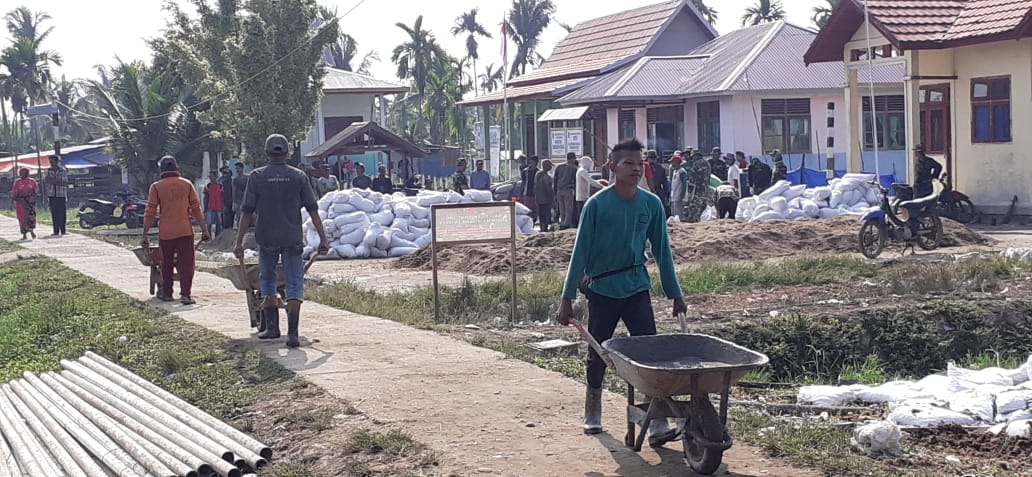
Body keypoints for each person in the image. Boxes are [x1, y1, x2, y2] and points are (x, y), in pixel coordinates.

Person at [556, 138, 686, 444]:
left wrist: (675, 294)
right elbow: (580, 253)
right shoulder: (597, 205)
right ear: (613, 167)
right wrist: (567, 299)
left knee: (649, 354)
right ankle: (593, 411)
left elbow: (663, 253)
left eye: (640, 164)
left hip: (637, 286)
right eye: (628, 163)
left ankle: (656, 421)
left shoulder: (651, 204)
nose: (636, 169)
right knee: (599, 352)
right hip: (602, 288)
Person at [235, 134, 329, 347]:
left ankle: (272, 329)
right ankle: (293, 334)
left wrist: (239, 242)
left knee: (267, 279)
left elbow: (247, 212)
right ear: (287, 153)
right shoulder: (298, 177)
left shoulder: (257, 176)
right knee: (294, 283)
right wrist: (324, 239)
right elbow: (313, 210)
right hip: (291, 236)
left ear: (267, 153)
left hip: (267, 237)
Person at [141, 156, 209, 304]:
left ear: (162, 169)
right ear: (176, 168)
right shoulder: (187, 184)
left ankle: (167, 294)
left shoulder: (156, 187)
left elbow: (150, 211)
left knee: (166, 264)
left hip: (166, 233)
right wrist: (204, 230)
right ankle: (185, 295)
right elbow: (196, 209)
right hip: (185, 231)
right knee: (186, 264)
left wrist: (145, 234)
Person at [575, 156, 605, 228]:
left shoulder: (581, 170)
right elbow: (591, 181)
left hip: (582, 195)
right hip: (582, 196)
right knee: (583, 212)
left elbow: (591, 181)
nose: (590, 165)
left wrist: (598, 183)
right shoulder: (582, 171)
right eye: (589, 163)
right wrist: (602, 187)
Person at [683, 151, 713, 223]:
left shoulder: (696, 164)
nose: (692, 159)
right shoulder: (708, 163)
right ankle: (699, 220)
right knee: (702, 205)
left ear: (696, 156)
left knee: (695, 206)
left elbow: (692, 179)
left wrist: (689, 193)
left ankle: (694, 220)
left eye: (693, 157)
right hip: (705, 188)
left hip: (697, 189)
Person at [12, 168, 39, 240]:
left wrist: (32, 197)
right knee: (22, 218)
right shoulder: (17, 182)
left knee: (30, 217)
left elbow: (36, 190)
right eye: (20, 172)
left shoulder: (32, 181)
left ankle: (31, 231)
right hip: (20, 202)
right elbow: (15, 192)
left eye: (23, 172)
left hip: (30, 202)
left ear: (27, 173)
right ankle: (24, 234)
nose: (21, 174)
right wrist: (18, 198)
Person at [45, 155, 68, 236]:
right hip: (52, 194)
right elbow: (47, 180)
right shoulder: (48, 170)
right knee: (54, 213)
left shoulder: (63, 171)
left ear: (57, 162)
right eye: (50, 162)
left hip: (61, 195)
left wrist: (54, 181)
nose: (51, 164)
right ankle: (56, 230)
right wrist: (57, 181)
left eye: (52, 162)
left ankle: (63, 230)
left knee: (62, 213)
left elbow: (65, 183)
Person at [553, 153, 578, 229]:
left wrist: (555, 191)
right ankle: (566, 224)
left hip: (559, 190)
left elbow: (555, 179)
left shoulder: (559, 167)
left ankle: (562, 222)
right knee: (568, 208)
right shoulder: (574, 168)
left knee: (561, 208)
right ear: (573, 159)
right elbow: (575, 181)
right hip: (568, 189)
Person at [647, 150, 670, 216]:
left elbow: (665, 183)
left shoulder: (660, 168)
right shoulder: (644, 167)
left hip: (656, 190)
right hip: (650, 190)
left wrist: (666, 194)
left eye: (652, 158)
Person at [535, 160, 555, 232]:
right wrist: (552, 198)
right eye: (550, 166)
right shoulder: (545, 176)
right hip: (546, 199)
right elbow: (548, 188)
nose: (550, 167)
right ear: (546, 166)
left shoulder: (537, 174)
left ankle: (542, 228)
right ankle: (544, 229)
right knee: (546, 214)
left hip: (538, 198)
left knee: (541, 214)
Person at [202, 171, 224, 237]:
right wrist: (205, 208)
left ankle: (218, 237)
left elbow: (222, 196)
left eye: (211, 176)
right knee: (209, 223)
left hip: (218, 207)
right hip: (210, 207)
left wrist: (223, 206)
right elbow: (205, 198)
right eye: (209, 176)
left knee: (219, 223)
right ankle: (209, 237)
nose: (210, 178)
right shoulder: (208, 186)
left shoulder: (220, 185)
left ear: (215, 177)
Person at [669, 153, 686, 220]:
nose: (671, 164)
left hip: (679, 196)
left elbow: (684, 185)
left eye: (672, 162)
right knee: (673, 213)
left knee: (678, 215)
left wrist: (682, 196)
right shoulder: (674, 171)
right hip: (674, 195)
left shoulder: (682, 172)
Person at [232, 162, 248, 229]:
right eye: (236, 169)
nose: (237, 170)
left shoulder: (247, 178)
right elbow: (233, 190)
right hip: (238, 200)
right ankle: (239, 229)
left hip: (246, 200)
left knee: (246, 215)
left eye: (238, 168)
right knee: (238, 216)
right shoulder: (235, 179)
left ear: (242, 168)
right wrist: (234, 202)